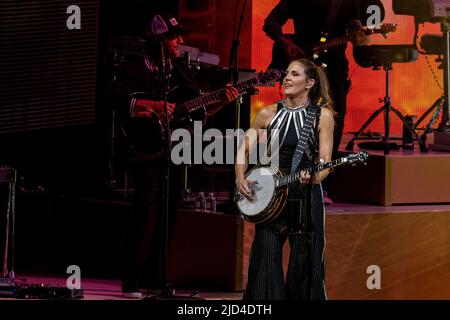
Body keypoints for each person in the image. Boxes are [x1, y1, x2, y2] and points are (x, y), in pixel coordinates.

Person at [119, 14, 238, 298]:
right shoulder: (137, 65)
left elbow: (196, 109)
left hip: (172, 148)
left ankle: (155, 275)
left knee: (171, 210)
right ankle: (131, 278)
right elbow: (117, 98)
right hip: (145, 146)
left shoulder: (179, 69)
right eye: (175, 37)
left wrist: (222, 100)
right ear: (159, 40)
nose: (181, 42)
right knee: (144, 209)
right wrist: (154, 106)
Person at [263, 0, 383, 203]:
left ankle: (322, 186)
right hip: (304, 65)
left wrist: (360, 36)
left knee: (334, 123)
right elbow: (271, 22)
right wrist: (286, 43)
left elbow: (355, 29)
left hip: (334, 66)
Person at [235, 59, 335, 299]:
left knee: (305, 261)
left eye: (295, 74)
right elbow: (243, 149)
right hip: (273, 193)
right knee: (265, 260)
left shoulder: (323, 115)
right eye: (286, 73)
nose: (287, 78)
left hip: (306, 193)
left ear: (310, 83)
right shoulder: (267, 113)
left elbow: (325, 161)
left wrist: (315, 177)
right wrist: (240, 176)